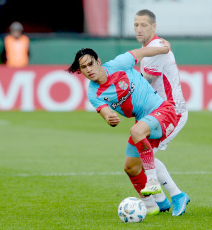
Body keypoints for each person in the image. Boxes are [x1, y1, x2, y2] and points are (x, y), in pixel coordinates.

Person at [67, 43, 182, 216]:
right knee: (130, 167)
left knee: (136, 131)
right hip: (144, 122)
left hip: (163, 111)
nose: (88, 69)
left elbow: (141, 52)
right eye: (83, 67)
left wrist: (163, 49)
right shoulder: (93, 93)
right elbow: (106, 114)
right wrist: (110, 119)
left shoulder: (118, 64)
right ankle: (154, 205)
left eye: (91, 64)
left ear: (98, 61)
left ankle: (161, 186)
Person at [132, 9, 190, 216]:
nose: (139, 29)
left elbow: (145, 82)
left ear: (154, 27)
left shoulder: (157, 47)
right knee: (142, 155)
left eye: (144, 25)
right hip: (158, 113)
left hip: (173, 111)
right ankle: (164, 200)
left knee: (145, 155)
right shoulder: (151, 48)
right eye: (136, 25)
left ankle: (175, 196)